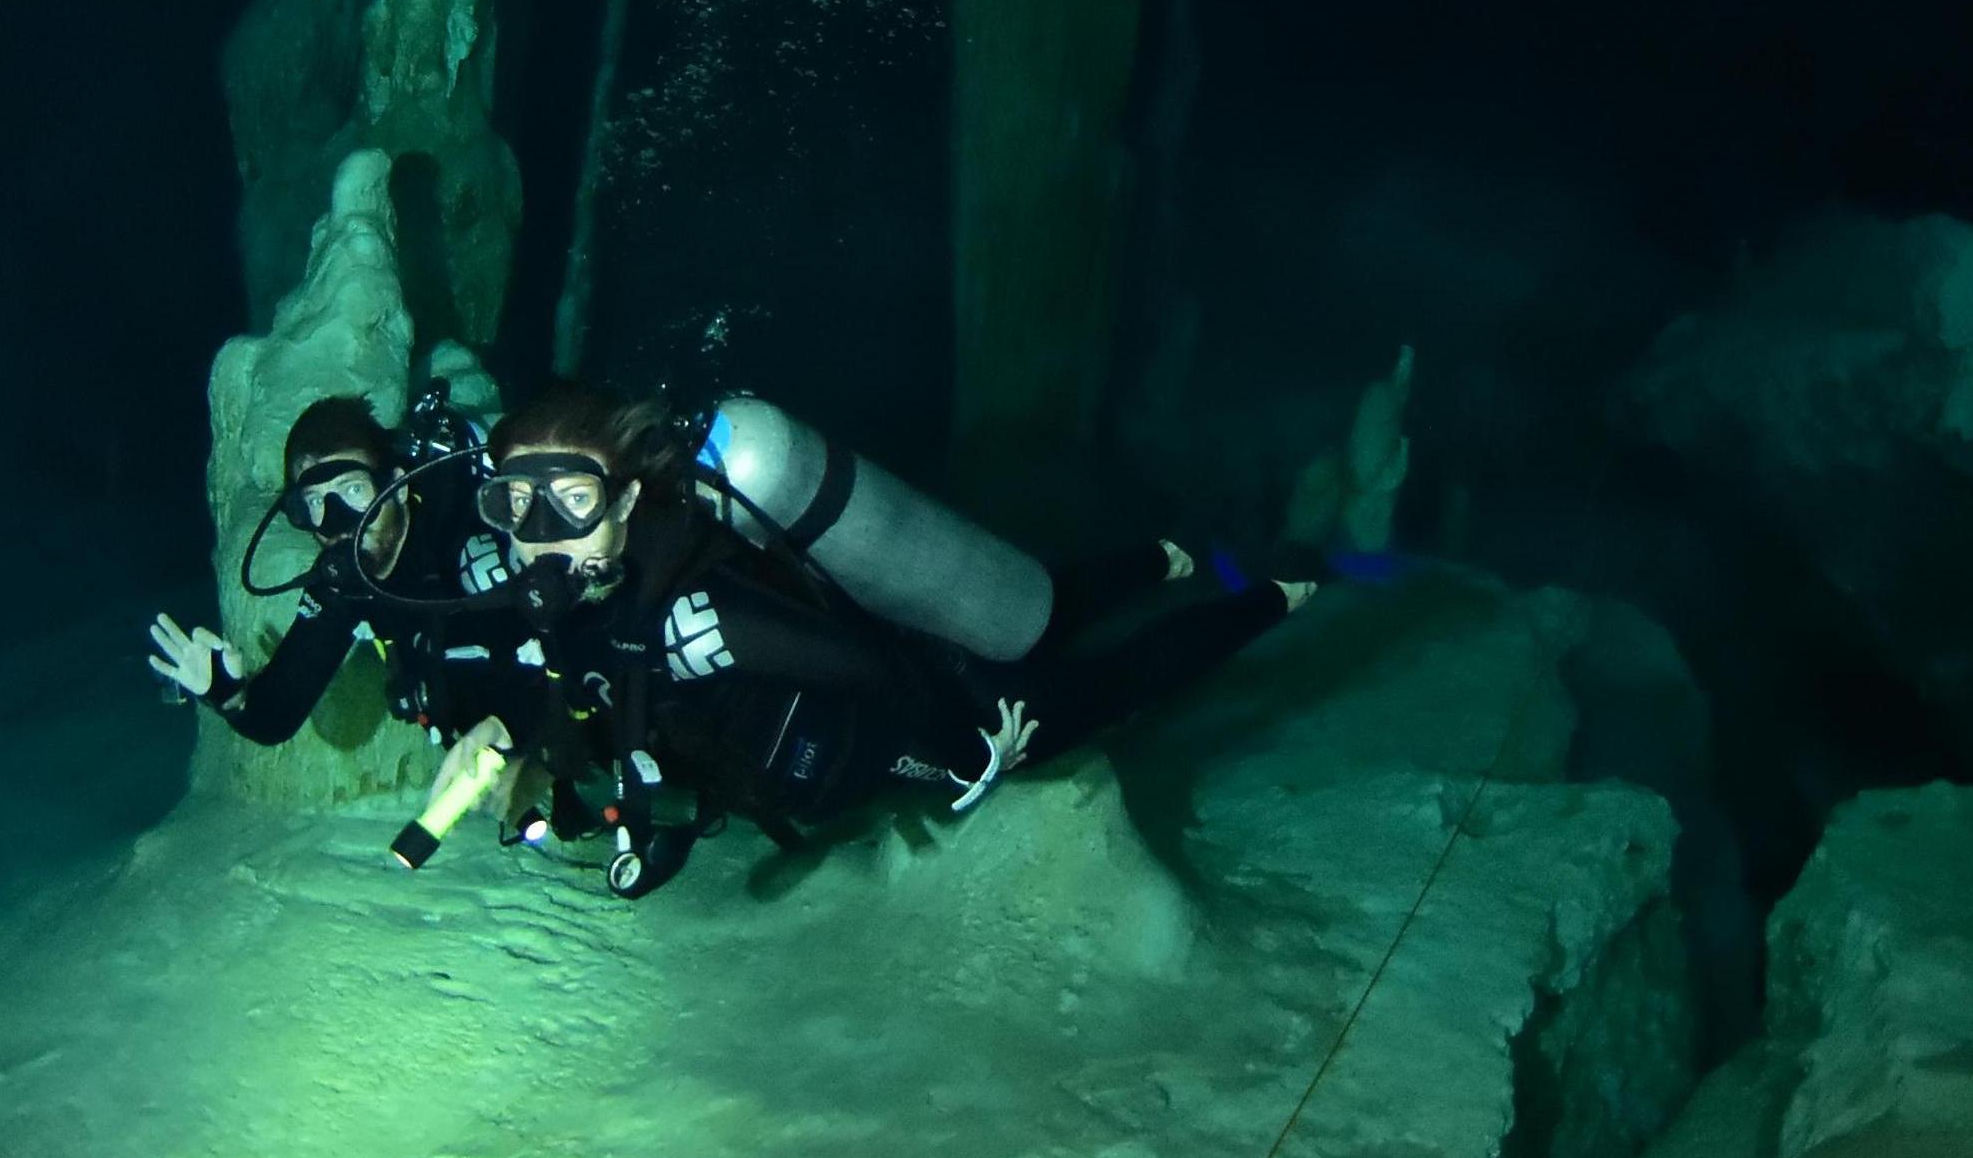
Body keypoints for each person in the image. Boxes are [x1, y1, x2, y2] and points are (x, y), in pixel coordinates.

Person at [478, 384, 1317, 896]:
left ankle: (1266, 599)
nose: (540, 535)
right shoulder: (580, 605)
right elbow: (580, 692)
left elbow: (869, 666)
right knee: (1050, 615)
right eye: (514, 507)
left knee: (1103, 691)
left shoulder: (703, 617)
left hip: (929, 692)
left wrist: (965, 757)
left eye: (570, 503)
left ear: (625, 502)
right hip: (882, 676)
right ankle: (1155, 561)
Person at [146, 389, 535, 751]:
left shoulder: (466, 539)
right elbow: (276, 718)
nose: (336, 522)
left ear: (396, 488)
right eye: (315, 502)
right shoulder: (342, 584)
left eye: (353, 490)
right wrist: (228, 695)